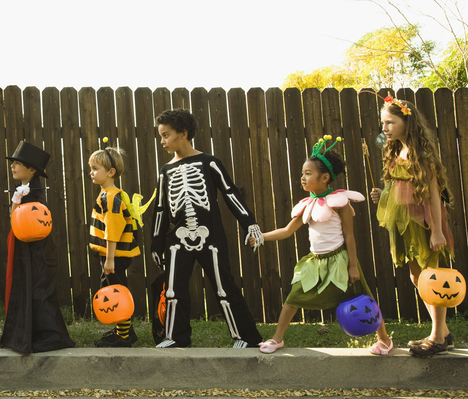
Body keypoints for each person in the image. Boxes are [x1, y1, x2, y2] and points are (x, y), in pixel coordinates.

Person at [250, 135, 392, 355]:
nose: (303, 178)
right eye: (302, 174)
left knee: (365, 297)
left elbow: (350, 236)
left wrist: (352, 266)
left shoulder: (340, 203)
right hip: (315, 262)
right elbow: (287, 231)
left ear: (325, 177)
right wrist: (262, 237)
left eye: (308, 173)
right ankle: (277, 339)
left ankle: (384, 339)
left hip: (341, 261)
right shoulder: (308, 204)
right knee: (293, 297)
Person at [150, 109, 264, 348]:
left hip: (210, 235)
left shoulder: (209, 162)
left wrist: (250, 224)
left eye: (166, 135)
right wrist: (156, 243)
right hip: (178, 238)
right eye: (160, 136)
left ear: (183, 134)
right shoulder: (166, 171)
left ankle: (246, 337)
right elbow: (160, 209)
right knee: (173, 290)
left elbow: (231, 193)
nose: (162, 141)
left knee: (224, 286)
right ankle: (176, 337)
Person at [370, 95, 455, 358]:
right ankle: (443, 332)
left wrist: (438, 231)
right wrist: (382, 194)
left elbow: (432, 194)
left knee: (434, 277)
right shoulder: (398, 150)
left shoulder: (422, 153)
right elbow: (401, 186)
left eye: (390, 123)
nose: (385, 129)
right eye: (383, 123)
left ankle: (437, 336)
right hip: (406, 224)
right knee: (417, 277)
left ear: (407, 122)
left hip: (424, 223)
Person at [0, 141, 75, 354]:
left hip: (37, 250)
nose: (12, 167)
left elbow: (29, 222)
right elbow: (14, 220)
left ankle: (50, 336)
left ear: (32, 169)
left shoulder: (35, 194)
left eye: (17, 163)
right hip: (26, 248)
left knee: (38, 291)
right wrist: (16, 199)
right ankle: (28, 333)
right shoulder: (23, 191)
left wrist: (19, 201)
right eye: (12, 163)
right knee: (26, 288)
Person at [88, 146, 142, 347]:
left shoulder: (109, 197)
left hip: (115, 255)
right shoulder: (109, 194)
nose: (91, 172)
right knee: (114, 289)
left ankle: (124, 337)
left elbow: (113, 229)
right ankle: (126, 331)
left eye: (95, 168)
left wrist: (109, 259)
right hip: (114, 254)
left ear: (111, 172)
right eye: (90, 168)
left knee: (116, 292)